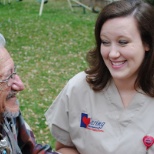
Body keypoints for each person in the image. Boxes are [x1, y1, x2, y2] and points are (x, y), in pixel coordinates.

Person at [45, 0, 154, 153]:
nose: (113, 54)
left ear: (147, 43)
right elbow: (64, 146)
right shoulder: (78, 88)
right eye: (105, 42)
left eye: (123, 42)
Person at [0, 33, 59, 154]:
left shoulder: (7, 112)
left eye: (14, 72)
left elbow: (31, 150)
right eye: (8, 77)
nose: (20, 85)